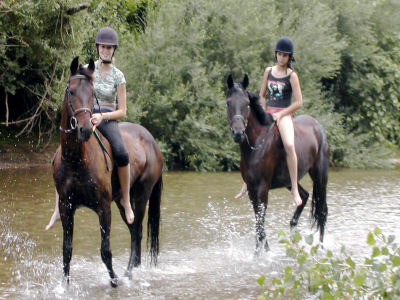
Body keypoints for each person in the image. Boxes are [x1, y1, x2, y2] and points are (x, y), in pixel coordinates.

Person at [45, 27, 134, 230]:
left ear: (113, 50)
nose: (106, 50)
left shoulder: (119, 76)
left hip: (108, 118)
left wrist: (103, 116)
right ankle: (57, 209)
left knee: (121, 153)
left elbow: (123, 111)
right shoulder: (87, 68)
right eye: (103, 47)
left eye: (109, 48)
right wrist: (85, 115)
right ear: (98, 48)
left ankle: (126, 200)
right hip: (86, 116)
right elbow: (77, 92)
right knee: (59, 156)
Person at [235, 37, 303, 207]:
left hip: (285, 114)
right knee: (252, 141)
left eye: (284, 55)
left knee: (288, 145)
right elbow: (262, 96)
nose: (281, 58)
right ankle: (247, 182)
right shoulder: (269, 71)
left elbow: (299, 102)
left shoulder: (292, 76)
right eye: (279, 54)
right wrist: (263, 112)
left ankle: (294, 187)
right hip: (269, 112)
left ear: (289, 57)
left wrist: (282, 114)